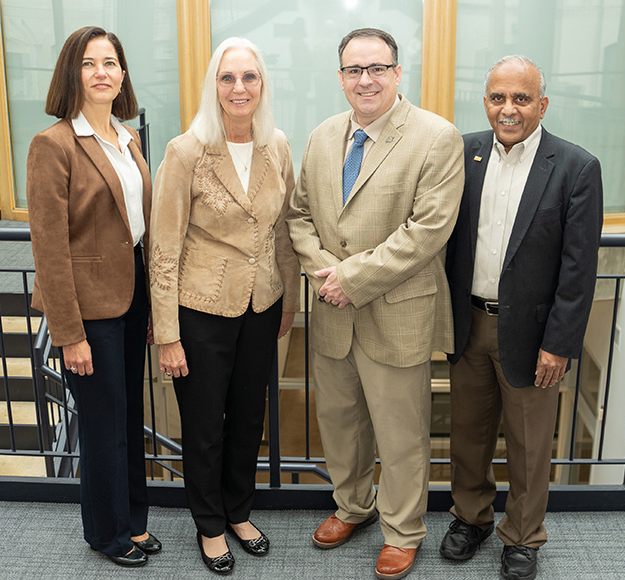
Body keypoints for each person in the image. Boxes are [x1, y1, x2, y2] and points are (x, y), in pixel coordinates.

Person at [287, 27, 464, 580]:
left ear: (397, 72)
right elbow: (298, 216)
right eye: (354, 70)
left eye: (377, 68)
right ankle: (352, 507)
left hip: (396, 311)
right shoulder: (321, 137)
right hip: (332, 310)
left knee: (400, 433)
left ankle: (403, 531)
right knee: (340, 424)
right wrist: (326, 272)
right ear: (341, 77)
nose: (365, 79)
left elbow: (427, 231)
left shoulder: (436, 137)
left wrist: (352, 278)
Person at [441, 55, 603, 580]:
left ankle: (523, 536)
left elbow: (579, 269)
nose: (508, 109)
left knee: (530, 446)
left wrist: (560, 343)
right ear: (486, 101)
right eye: (497, 97)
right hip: (469, 323)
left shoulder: (576, 167)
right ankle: (471, 518)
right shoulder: (463, 152)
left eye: (521, 98)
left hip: (535, 336)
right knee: (468, 434)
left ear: (542, 104)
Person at [149, 37, 299, 575]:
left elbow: (283, 231)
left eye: (249, 77)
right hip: (201, 310)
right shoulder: (185, 151)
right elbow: (163, 248)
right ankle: (209, 524)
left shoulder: (276, 145)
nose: (239, 88)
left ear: (262, 85)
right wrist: (167, 332)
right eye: (228, 77)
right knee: (204, 424)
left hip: (262, 305)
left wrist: (289, 300)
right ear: (213, 85)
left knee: (248, 418)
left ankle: (238, 511)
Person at [26, 26, 158, 567]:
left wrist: (152, 303)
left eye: (110, 62)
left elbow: (138, 228)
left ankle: (133, 522)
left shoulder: (127, 138)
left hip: (131, 298)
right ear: (71, 73)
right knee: (104, 428)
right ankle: (107, 534)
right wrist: (69, 333)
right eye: (88, 63)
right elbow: (50, 249)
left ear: (122, 74)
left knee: (127, 418)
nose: (101, 72)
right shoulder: (53, 144)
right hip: (89, 312)